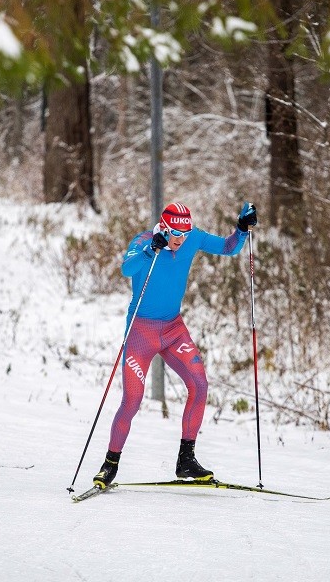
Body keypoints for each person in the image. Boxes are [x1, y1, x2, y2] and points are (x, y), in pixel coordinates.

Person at [92, 201, 258, 488]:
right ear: (164, 228)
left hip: (172, 329)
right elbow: (127, 269)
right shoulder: (145, 241)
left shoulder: (192, 237)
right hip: (140, 332)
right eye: (175, 234)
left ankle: (186, 460)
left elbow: (228, 247)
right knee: (132, 401)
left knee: (200, 384)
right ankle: (110, 463)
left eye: (185, 233)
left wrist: (242, 229)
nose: (181, 239)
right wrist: (150, 250)